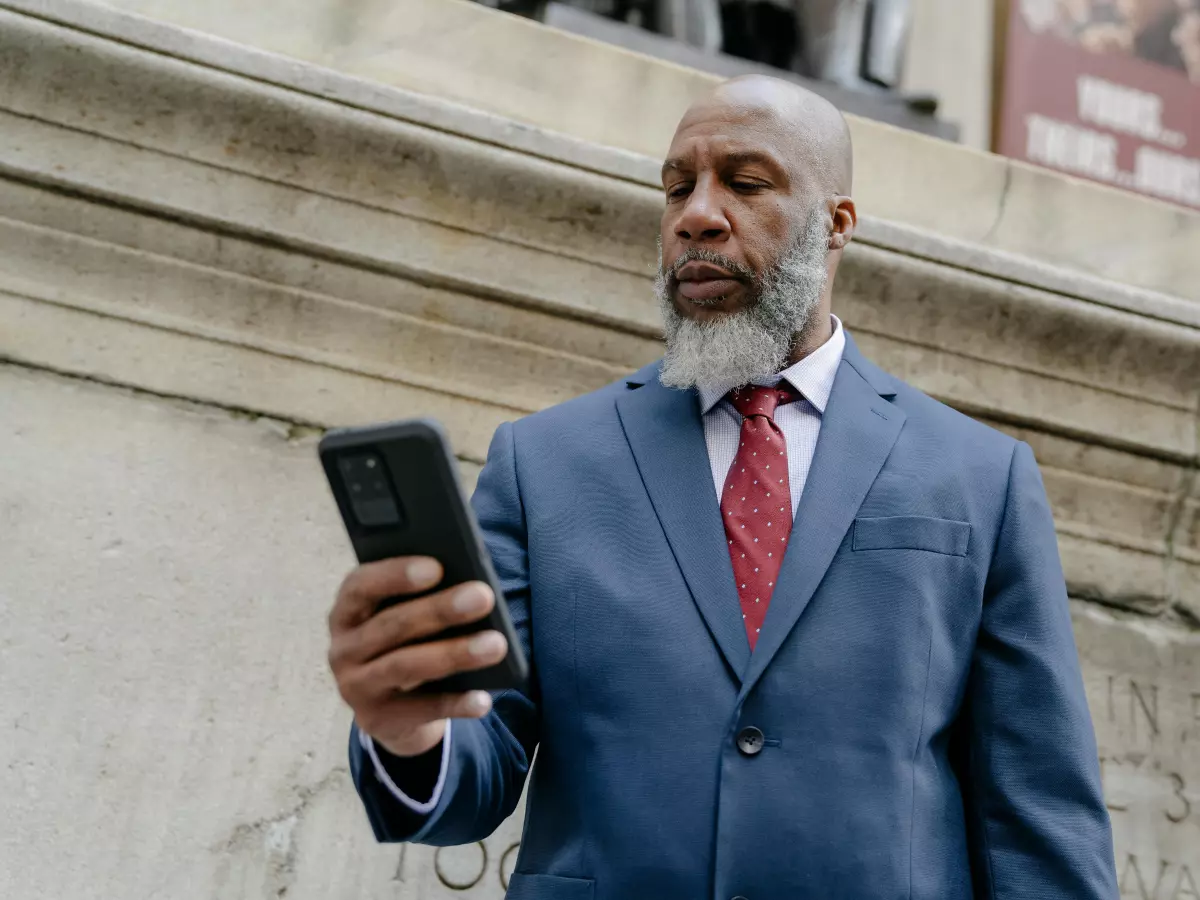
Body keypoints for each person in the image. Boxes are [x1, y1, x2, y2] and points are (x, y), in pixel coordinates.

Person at [327, 75, 1119, 898]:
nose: (695, 215)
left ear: (836, 224)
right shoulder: (542, 463)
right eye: (677, 187)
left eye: (745, 184)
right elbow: (476, 775)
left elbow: (1039, 818)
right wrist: (408, 728)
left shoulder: (980, 476)